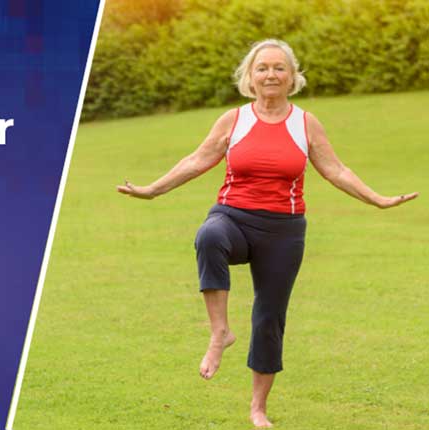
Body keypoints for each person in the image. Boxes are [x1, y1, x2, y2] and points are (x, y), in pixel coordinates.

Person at [115, 39, 418, 428]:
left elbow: (336, 170)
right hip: (234, 217)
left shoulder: (305, 123)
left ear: (292, 76)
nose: (271, 74)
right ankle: (219, 332)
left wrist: (377, 199)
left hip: (283, 230)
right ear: (250, 77)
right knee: (209, 236)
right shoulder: (234, 120)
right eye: (262, 68)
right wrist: (151, 189)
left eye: (279, 68)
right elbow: (196, 160)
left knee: (269, 318)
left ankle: (258, 408)